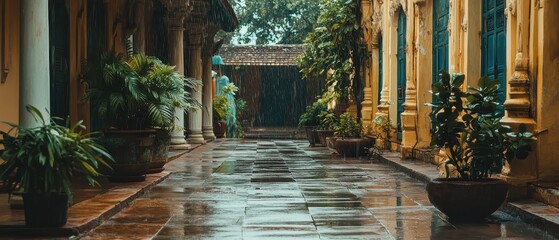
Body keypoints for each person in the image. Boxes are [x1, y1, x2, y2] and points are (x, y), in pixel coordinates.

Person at [212, 55, 238, 138]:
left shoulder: (222, 78)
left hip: (224, 97)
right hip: (219, 96)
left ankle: (225, 133)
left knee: (226, 116)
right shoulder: (213, 77)